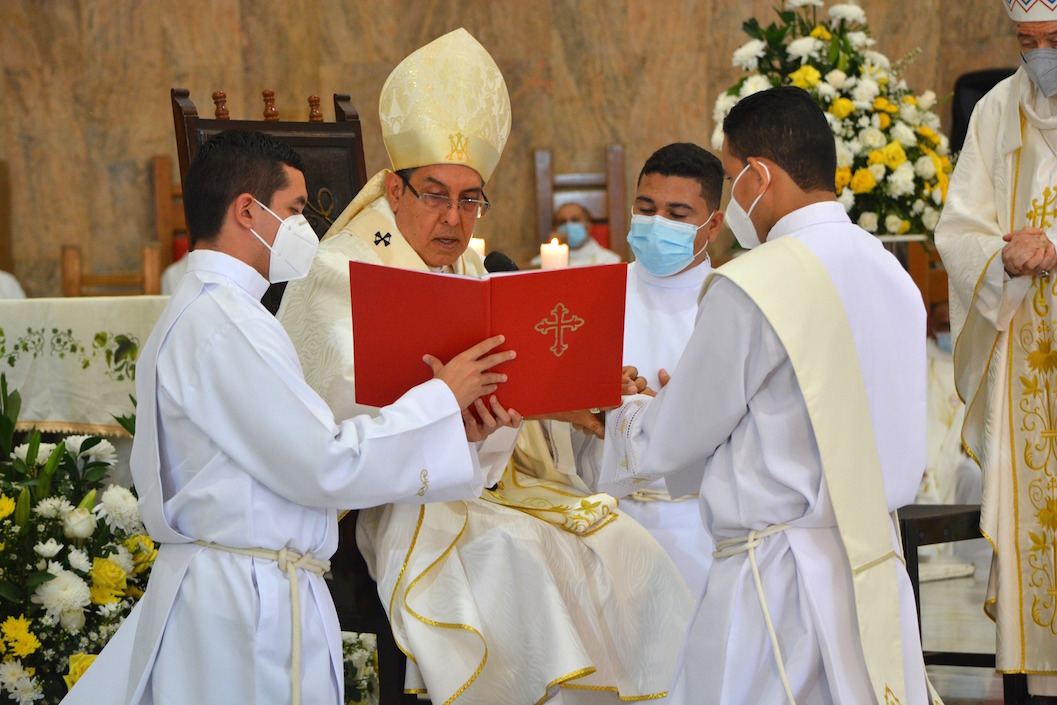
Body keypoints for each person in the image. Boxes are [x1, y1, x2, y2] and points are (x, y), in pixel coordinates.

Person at [278, 28, 693, 705]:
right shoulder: (339, 270)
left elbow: (507, 387)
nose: (453, 218)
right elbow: (342, 419)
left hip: (483, 479)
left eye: (470, 198)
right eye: (434, 193)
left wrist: (564, 393)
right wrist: (460, 414)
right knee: (519, 561)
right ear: (393, 185)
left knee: (621, 541)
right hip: (401, 500)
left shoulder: (466, 260)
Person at [61, 129, 518, 705]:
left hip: (248, 586)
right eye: (295, 210)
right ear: (247, 211)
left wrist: (454, 429)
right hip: (247, 605)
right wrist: (440, 399)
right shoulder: (228, 324)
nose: (307, 229)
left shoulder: (218, 311)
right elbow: (325, 463)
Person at [598, 86, 929, 704]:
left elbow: (672, 440)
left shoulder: (756, 283)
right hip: (871, 570)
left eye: (730, 177)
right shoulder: (892, 272)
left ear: (758, 175)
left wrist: (635, 410)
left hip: (774, 582)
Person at [934, 0, 1057, 692]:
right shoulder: (993, 111)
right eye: (1026, 41)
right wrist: (1000, 257)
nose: (1039, 54)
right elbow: (957, 228)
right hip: (1022, 349)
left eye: (1053, 40)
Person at [573, 142, 722, 597]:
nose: (658, 224)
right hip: (602, 518)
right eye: (646, 207)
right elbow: (552, 416)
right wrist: (592, 393)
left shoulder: (731, 303)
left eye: (677, 214)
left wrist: (680, 415)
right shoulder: (592, 295)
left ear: (712, 224)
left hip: (697, 526)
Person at [530, 202, 622, 267]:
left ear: (588, 226)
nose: (568, 226)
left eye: (575, 220)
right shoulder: (538, 264)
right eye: (562, 222)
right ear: (555, 228)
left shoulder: (611, 262)